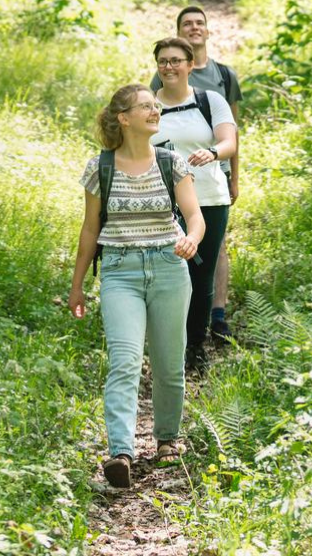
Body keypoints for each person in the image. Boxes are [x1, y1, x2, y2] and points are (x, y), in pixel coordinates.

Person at [68, 84, 205, 489]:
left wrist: (192, 239)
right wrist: (77, 286)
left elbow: (195, 217)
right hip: (119, 272)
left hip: (168, 267)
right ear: (123, 118)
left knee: (168, 363)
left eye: (156, 105)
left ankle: (167, 439)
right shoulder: (100, 168)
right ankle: (121, 452)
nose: (154, 110)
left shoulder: (172, 163)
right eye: (145, 106)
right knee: (125, 360)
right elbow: (90, 229)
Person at [149, 6, 242, 347]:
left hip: (209, 198)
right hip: (162, 203)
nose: (170, 67)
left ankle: (195, 349)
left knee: (202, 279)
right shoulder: (147, 104)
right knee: (170, 277)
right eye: (164, 62)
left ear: (190, 65)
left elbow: (230, 140)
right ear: (158, 67)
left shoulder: (211, 99)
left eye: (176, 61)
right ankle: (169, 347)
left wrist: (214, 153)